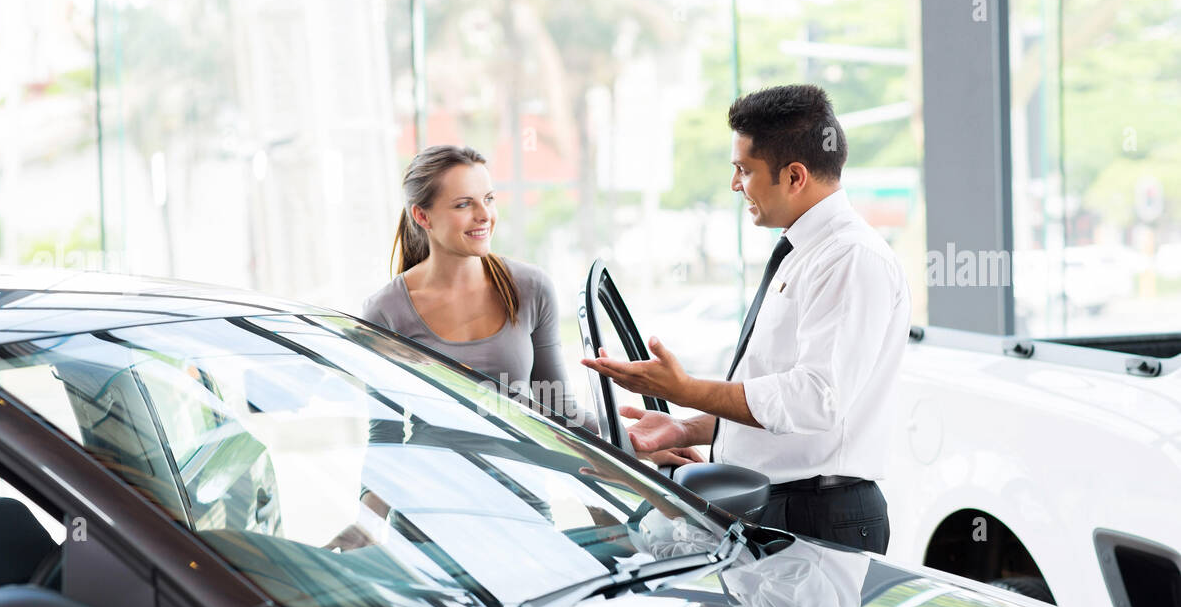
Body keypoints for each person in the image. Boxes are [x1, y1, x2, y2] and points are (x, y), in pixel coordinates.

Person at [581, 84, 911, 554]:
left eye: (744, 170)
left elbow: (816, 400)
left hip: (818, 513)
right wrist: (688, 427)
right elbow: (774, 399)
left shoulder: (850, 258)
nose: (735, 185)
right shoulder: (806, 252)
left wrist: (684, 388)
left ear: (794, 176)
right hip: (781, 504)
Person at [362, 144, 599, 434]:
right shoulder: (386, 312)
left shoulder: (531, 288)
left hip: (524, 479)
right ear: (422, 216)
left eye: (489, 199)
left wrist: (630, 439)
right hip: (436, 478)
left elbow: (561, 412)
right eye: (464, 204)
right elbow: (385, 434)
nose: (484, 214)